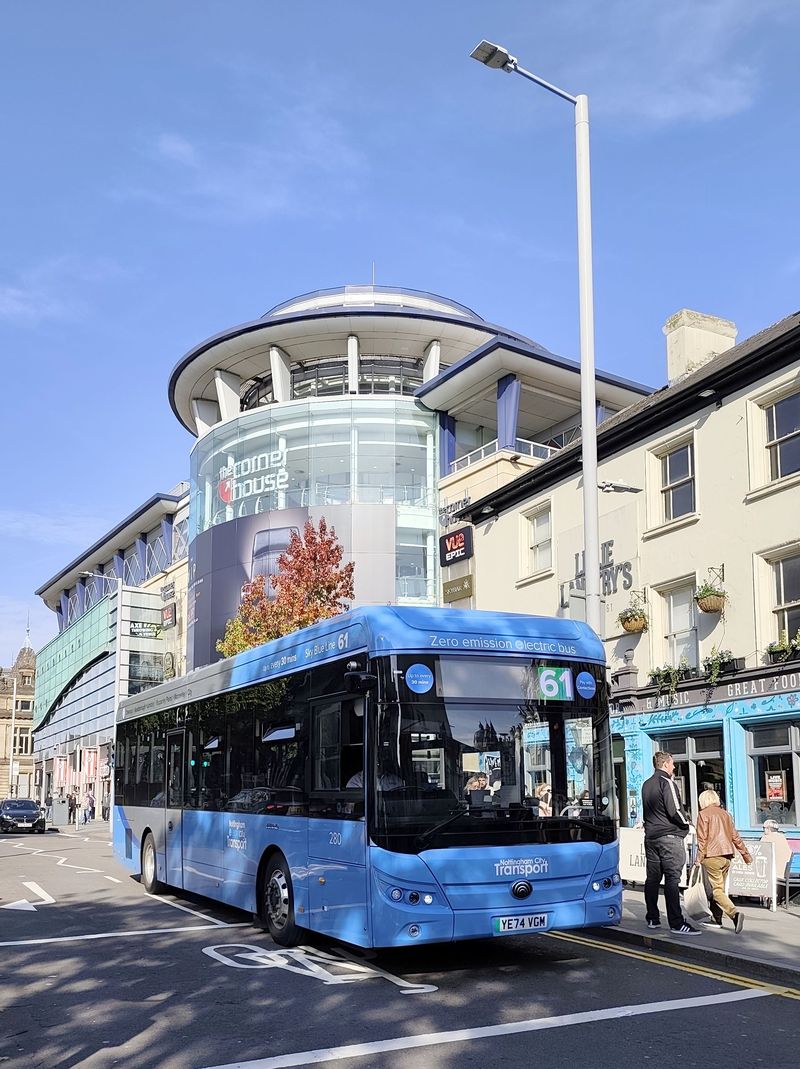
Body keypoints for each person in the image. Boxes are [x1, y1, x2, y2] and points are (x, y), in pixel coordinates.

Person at [642, 751, 699, 936]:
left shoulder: (646, 784)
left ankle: (652, 918)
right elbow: (675, 810)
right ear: (665, 764)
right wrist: (687, 824)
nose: (674, 767)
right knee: (673, 880)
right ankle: (676, 923)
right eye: (672, 763)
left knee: (652, 879)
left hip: (651, 837)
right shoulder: (667, 782)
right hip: (669, 838)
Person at [696, 789, 752, 932]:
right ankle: (716, 919)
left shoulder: (703, 814)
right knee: (719, 889)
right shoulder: (726, 814)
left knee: (715, 890)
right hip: (727, 856)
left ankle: (734, 914)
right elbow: (735, 836)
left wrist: (698, 859)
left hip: (712, 856)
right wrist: (746, 855)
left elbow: (702, 839)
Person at [760, 818, 792, 904]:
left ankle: (765, 897)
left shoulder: (766, 838)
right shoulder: (782, 837)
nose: (763, 830)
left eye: (764, 828)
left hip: (771, 871)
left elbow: (761, 852)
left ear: (768, 829)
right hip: (783, 871)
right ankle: (777, 899)